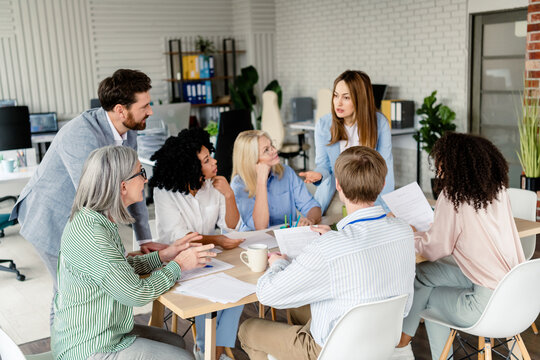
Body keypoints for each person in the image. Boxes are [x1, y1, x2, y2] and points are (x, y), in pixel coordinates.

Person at [10, 69, 167, 322]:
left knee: (81, 290)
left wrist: (143, 239)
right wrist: (115, 251)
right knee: (66, 292)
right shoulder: (81, 134)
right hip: (50, 216)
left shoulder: (131, 128)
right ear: (120, 109)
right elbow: (95, 200)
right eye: (145, 106)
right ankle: (66, 348)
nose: (150, 111)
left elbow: (134, 181)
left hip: (78, 214)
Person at [238, 146, 415, 360]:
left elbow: (267, 294)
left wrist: (278, 263)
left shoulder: (328, 247)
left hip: (329, 353)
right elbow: (404, 308)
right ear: (382, 184)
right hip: (381, 345)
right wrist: (334, 237)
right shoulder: (404, 231)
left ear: (338, 186)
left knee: (248, 329)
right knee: (298, 309)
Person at [51, 146, 216, 360]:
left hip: (105, 330)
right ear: (123, 186)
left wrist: (165, 255)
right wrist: (180, 265)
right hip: (89, 346)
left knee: (176, 341)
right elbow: (135, 294)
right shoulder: (94, 236)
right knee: (183, 357)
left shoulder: (95, 220)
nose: (146, 180)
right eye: (141, 173)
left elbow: (120, 269)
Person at [392, 133, 526, 360]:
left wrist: (410, 234)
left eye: (441, 160)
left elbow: (433, 249)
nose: (438, 167)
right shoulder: (497, 192)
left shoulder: (453, 197)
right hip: (515, 294)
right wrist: (427, 233)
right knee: (425, 274)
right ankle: (403, 340)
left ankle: (403, 342)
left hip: (486, 305)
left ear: (454, 161)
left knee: (428, 299)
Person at [150, 128, 244, 360]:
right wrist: (217, 240)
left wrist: (230, 195)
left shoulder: (213, 185)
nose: (214, 161)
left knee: (240, 287)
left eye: (210, 155)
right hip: (174, 263)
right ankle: (210, 349)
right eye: (206, 160)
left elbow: (230, 226)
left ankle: (210, 351)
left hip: (207, 258)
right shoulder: (165, 192)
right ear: (190, 167)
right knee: (209, 288)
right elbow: (181, 238)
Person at [299, 70, 394, 214]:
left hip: (368, 193)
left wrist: (387, 208)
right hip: (337, 192)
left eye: (346, 97)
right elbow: (324, 165)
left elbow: (385, 169)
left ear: (360, 98)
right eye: (336, 96)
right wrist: (319, 175)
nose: (338, 102)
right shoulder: (324, 124)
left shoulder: (379, 123)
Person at [231, 130, 321, 230]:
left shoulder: (286, 172)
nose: (274, 150)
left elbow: (311, 205)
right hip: (256, 241)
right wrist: (261, 181)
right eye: (266, 150)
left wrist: (310, 220)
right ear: (251, 159)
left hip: (285, 236)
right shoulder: (238, 184)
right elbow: (260, 227)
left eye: (272, 145)